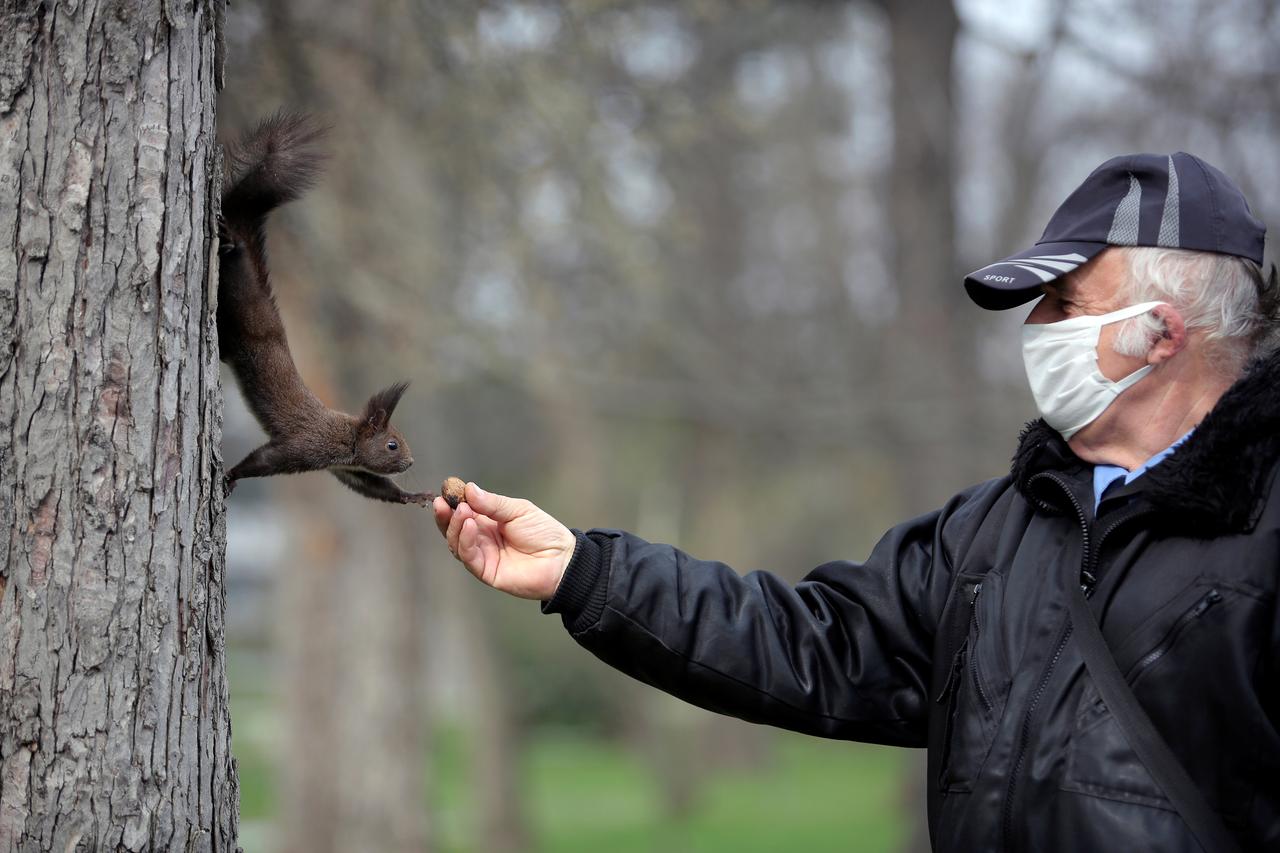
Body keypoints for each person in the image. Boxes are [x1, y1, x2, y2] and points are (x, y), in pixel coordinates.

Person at [433, 153, 1280, 851]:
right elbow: (810, 641)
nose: (1035, 327)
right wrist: (584, 572)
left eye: (1064, 303)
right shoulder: (990, 531)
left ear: (1162, 333)